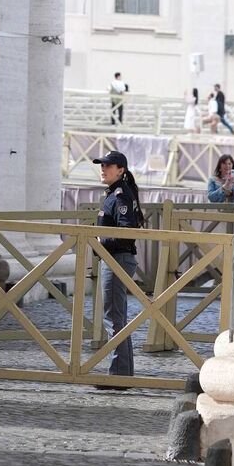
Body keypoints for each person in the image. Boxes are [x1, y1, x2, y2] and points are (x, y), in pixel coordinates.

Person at [91, 151, 143, 384]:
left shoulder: (120, 195)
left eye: (108, 166)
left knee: (113, 317)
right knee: (117, 316)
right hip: (117, 258)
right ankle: (123, 373)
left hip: (117, 259)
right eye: (102, 165)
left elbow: (126, 233)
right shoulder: (117, 193)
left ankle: (117, 376)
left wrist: (100, 242)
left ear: (121, 169)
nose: (103, 169)